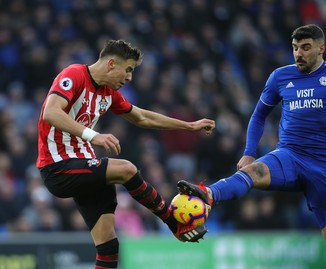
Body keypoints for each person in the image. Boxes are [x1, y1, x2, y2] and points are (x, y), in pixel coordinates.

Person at [177, 24, 326, 269]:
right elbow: (259, 115)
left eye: (305, 48)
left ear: (321, 48)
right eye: (295, 48)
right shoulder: (280, 76)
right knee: (251, 172)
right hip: (289, 156)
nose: (298, 54)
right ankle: (209, 194)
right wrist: (250, 152)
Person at [36, 40, 215, 269]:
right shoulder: (75, 74)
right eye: (128, 70)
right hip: (57, 167)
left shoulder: (108, 93)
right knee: (127, 169)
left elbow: (142, 117)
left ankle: (173, 226)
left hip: (83, 166)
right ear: (111, 64)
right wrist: (94, 136)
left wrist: (189, 126)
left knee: (109, 248)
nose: (129, 78)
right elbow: (51, 112)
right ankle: (174, 223)